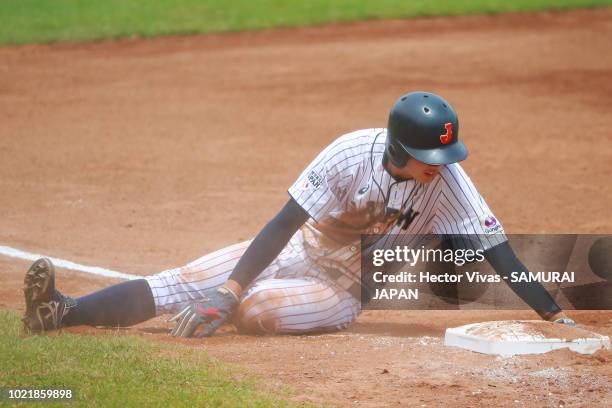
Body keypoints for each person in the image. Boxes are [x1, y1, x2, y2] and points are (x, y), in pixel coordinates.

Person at [21, 91, 575, 338]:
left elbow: (496, 250)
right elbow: (284, 221)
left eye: (445, 156)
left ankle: (231, 310)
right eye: (431, 157)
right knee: (186, 283)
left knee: (258, 311)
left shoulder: (448, 183)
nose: (442, 166)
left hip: (342, 288)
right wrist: (228, 288)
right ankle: (61, 312)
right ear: (399, 149)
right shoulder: (349, 152)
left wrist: (553, 315)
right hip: (296, 249)